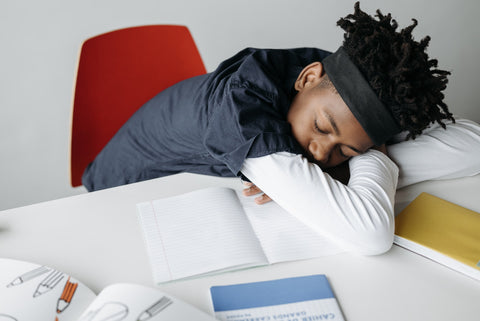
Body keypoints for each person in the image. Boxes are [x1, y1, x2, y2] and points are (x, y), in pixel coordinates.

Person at [83, 3, 480, 255]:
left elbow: (472, 145)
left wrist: (351, 164)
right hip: (122, 201)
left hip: (203, 183)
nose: (322, 153)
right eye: (322, 129)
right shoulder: (243, 114)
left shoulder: (351, 86)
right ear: (308, 78)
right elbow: (370, 234)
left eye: (346, 151)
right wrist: (367, 162)